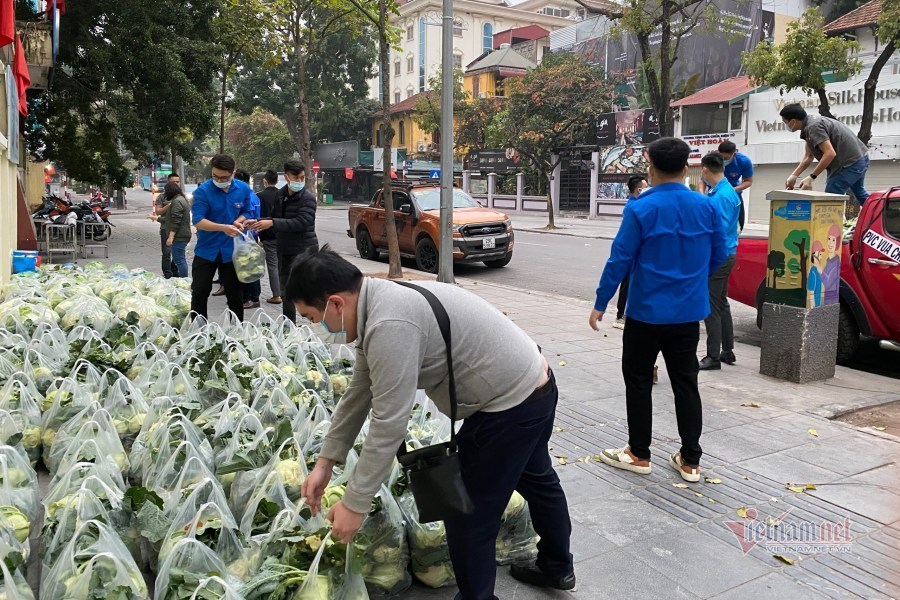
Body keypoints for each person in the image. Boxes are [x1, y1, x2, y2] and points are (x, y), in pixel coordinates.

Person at [292, 247, 575, 599]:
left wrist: (354, 504)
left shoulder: (389, 323)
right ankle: (557, 566)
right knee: (537, 479)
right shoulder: (376, 303)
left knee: (469, 517)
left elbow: (388, 421)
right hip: (534, 384)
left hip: (509, 407)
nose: (313, 327)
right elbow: (359, 393)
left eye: (309, 316)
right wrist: (325, 463)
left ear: (335, 303)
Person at [589, 137, 727, 483]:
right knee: (686, 384)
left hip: (646, 313)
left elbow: (619, 259)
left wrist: (601, 302)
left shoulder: (640, 208)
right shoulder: (706, 206)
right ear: (686, 168)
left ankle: (639, 453)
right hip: (687, 315)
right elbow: (720, 252)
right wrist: (695, 280)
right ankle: (691, 460)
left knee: (638, 381)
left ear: (650, 166)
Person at [247, 159, 318, 323]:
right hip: (285, 250)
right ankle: (289, 327)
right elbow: (276, 220)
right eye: (296, 177)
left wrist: (272, 222)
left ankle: (319, 327)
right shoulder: (281, 195)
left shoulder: (307, 198)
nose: (300, 181)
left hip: (305, 250)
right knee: (286, 292)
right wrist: (257, 222)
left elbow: (302, 222)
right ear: (286, 177)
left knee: (307, 292)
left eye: (302, 177)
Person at [189, 154, 254, 321]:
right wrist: (223, 228)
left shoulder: (243, 189)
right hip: (206, 250)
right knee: (199, 292)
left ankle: (237, 331)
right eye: (215, 176)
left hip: (232, 250)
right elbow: (198, 221)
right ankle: (199, 332)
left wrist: (239, 221)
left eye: (224, 177)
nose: (219, 180)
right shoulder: (202, 191)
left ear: (233, 173)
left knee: (235, 295)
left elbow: (247, 211)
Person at [698, 153, 742, 371]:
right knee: (721, 303)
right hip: (727, 252)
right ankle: (727, 351)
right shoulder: (727, 192)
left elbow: (720, 230)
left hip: (720, 255)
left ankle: (713, 356)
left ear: (705, 170)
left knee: (712, 306)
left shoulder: (721, 196)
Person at [780, 103, 870, 205]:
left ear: (793, 121)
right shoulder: (808, 125)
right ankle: (882, 217)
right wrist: (794, 175)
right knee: (860, 194)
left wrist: (811, 177)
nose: (785, 125)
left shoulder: (813, 127)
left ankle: (834, 221)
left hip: (849, 164)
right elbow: (808, 156)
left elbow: (830, 153)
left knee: (830, 201)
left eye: (785, 122)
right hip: (859, 159)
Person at [613, 175, 649, 330]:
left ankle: (627, 314)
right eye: (646, 187)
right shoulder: (632, 207)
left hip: (637, 254)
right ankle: (620, 316)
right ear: (639, 190)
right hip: (631, 253)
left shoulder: (638, 204)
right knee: (626, 284)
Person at [235, 169, 262, 310]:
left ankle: (253, 297)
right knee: (246, 267)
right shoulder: (252, 196)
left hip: (247, 236)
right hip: (246, 236)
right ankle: (247, 296)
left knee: (249, 268)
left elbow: (251, 216)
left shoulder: (248, 197)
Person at [258, 170, 283, 305]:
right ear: (277, 181)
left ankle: (276, 295)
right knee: (282, 264)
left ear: (265, 181)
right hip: (282, 233)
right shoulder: (282, 195)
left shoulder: (260, 196)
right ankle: (283, 292)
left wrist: (260, 237)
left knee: (272, 265)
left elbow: (259, 217)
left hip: (268, 235)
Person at [151, 173, 182, 278]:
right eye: (174, 182)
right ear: (168, 183)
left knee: (178, 253)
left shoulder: (181, 196)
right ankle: (167, 274)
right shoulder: (162, 197)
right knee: (167, 252)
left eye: (178, 182)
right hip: (165, 228)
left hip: (179, 229)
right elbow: (158, 211)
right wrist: (168, 206)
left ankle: (175, 271)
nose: (176, 184)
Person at [717, 140, 752, 231]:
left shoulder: (744, 161)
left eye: (726, 158)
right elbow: (703, 179)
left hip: (733, 193)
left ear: (734, 153)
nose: (724, 161)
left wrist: (732, 190)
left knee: (739, 222)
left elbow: (748, 181)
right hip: (716, 193)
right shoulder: (713, 159)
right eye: (722, 158)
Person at [162, 182, 192, 278]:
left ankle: (184, 281)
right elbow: (170, 219)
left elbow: (176, 221)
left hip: (180, 236)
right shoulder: (182, 199)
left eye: (166, 191)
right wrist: (156, 219)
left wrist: (171, 237)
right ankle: (184, 280)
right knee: (179, 259)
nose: (165, 193)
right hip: (183, 234)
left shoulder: (177, 201)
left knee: (179, 260)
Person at [821, 224, 841, 305]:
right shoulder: (829, 260)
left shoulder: (835, 261)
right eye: (829, 239)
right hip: (826, 298)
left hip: (830, 300)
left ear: (837, 243)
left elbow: (827, 283)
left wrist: (819, 269)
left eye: (833, 240)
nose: (830, 242)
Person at [808, 241, 824, 308]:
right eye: (819, 254)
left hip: (819, 303)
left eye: (821, 254)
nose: (820, 257)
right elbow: (811, 292)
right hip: (815, 305)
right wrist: (812, 306)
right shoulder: (813, 271)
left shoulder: (819, 270)